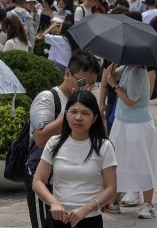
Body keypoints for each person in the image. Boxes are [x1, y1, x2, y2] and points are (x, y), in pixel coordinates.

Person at [24, 50, 102, 228]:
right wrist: (72, 110)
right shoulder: (47, 98)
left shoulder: (88, 101)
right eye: (82, 82)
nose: (87, 88)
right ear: (67, 73)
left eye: (92, 84)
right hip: (45, 179)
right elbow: (40, 138)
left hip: (73, 181)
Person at [31, 91, 118, 228]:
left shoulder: (104, 146)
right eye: (73, 112)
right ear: (66, 114)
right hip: (58, 219)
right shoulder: (54, 143)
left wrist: (87, 209)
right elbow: (37, 181)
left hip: (90, 220)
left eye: (85, 113)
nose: (78, 117)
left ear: (94, 118)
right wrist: (53, 202)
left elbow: (111, 188)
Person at [102, 61, 157, 220]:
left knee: (142, 163)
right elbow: (110, 76)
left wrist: (115, 86)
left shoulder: (138, 72)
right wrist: (113, 64)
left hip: (137, 125)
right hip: (122, 122)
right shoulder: (128, 67)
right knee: (118, 162)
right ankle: (114, 201)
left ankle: (147, 205)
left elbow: (130, 100)